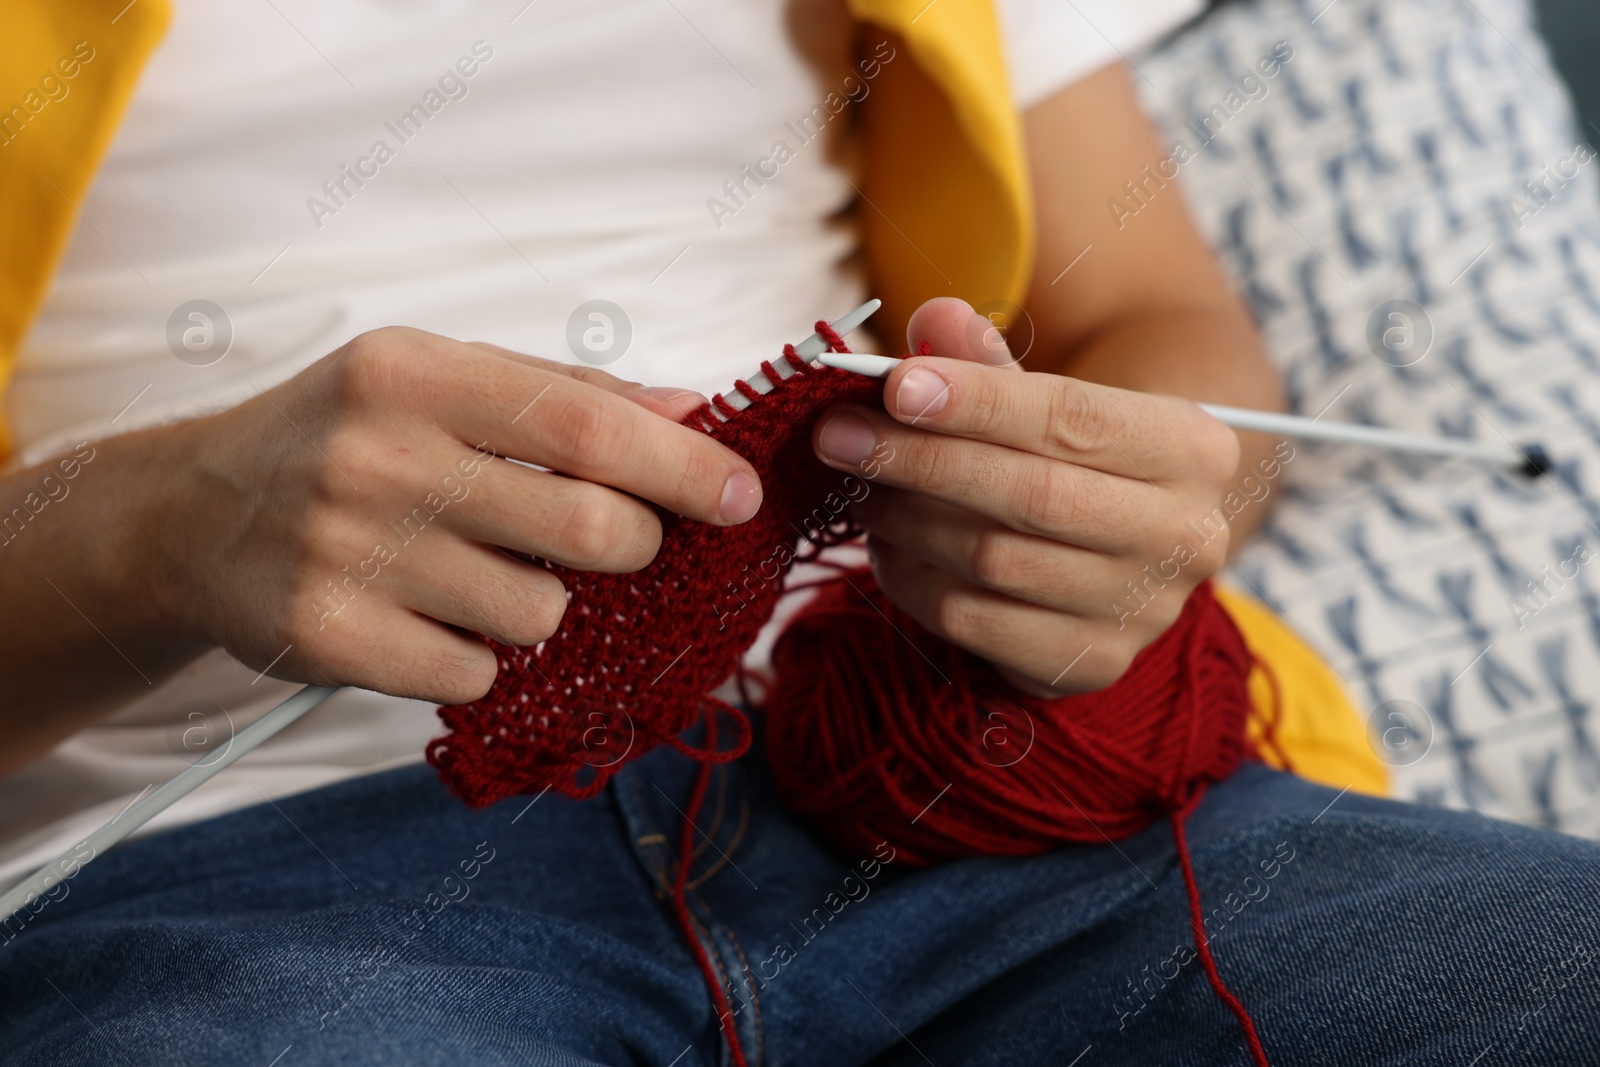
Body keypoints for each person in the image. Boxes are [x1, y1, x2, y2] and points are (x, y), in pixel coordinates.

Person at [2, 0, 1597, 1063]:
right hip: (245, 870)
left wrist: (1107, 517)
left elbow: (1157, 327)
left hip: (947, 781)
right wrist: (159, 526)